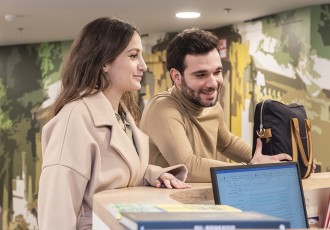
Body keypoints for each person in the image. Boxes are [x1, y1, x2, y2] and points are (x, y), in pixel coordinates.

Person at [37, 17, 190, 230]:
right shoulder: (74, 118)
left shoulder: (122, 116)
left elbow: (117, 173)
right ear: (105, 62)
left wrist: (154, 174)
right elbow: (56, 213)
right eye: (133, 56)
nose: (143, 65)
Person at [139, 28, 292, 183]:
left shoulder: (211, 105)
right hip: (167, 203)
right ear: (177, 77)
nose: (213, 83)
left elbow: (227, 143)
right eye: (201, 75)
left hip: (201, 201)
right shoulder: (162, 109)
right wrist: (250, 168)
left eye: (217, 72)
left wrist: (276, 160)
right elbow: (188, 167)